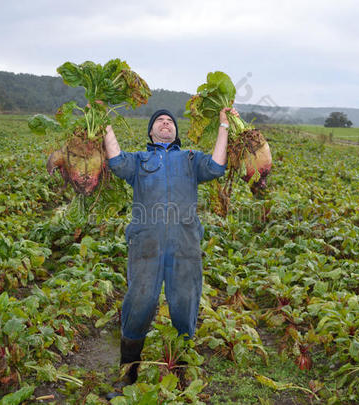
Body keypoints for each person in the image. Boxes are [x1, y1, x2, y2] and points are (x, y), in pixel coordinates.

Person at [103, 107, 237, 398]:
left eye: (170, 122)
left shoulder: (190, 158)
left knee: (184, 303)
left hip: (184, 244)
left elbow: (216, 167)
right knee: (139, 301)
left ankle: (180, 371)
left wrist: (224, 126)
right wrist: (104, 124)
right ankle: (128, 373)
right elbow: (115, 161)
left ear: (176, 132)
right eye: (159, 122)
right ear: (150, 132)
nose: (165, 124)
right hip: (146, 243)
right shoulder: (139, 160)